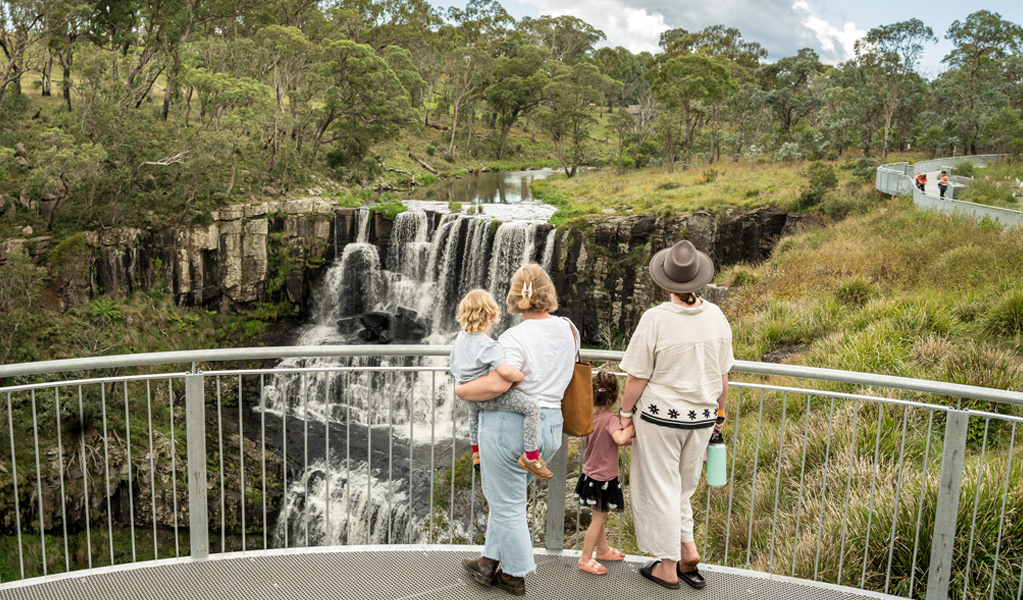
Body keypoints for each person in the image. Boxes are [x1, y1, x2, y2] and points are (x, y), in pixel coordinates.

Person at [619, 239, 733, 590]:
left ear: (665, 281)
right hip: (702, 418)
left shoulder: (655, 319)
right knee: (682, 488)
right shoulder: (715, 315)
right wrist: (720, 410)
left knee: (660, 489)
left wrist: (625, 414)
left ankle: (667, 568)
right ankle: (688, 552)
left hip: (659, 419)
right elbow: (723, 375)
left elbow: (637, 375)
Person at [458, 263, 579, 597]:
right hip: (550, 428)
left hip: (508, 429)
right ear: (548, 295)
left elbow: (497, 384)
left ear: (513, 298)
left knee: (506, 503)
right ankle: (487, 562)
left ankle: (515, 574)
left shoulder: (514, 337)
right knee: (509, 498)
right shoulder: (568, 329)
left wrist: (462, 390)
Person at [449, 288, 552, 479]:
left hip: (470, 397)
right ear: (491, 314)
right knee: (531, 409)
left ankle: (476, 452)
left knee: (474, 413)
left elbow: (454, 364)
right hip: (489, 397)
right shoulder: (490, 346)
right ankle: (530, 455)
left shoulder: (460, 338)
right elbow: (505, 371)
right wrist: (520, 376)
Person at [575, 371, 634, 576]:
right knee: (599, 519)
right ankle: (585, 558)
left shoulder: (591, 417)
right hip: (603, 480)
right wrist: (631, 427)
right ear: (616, 397)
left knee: (598, 516)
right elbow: (619, 439)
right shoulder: (610, 419)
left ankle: (602, 550)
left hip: (589, 475)